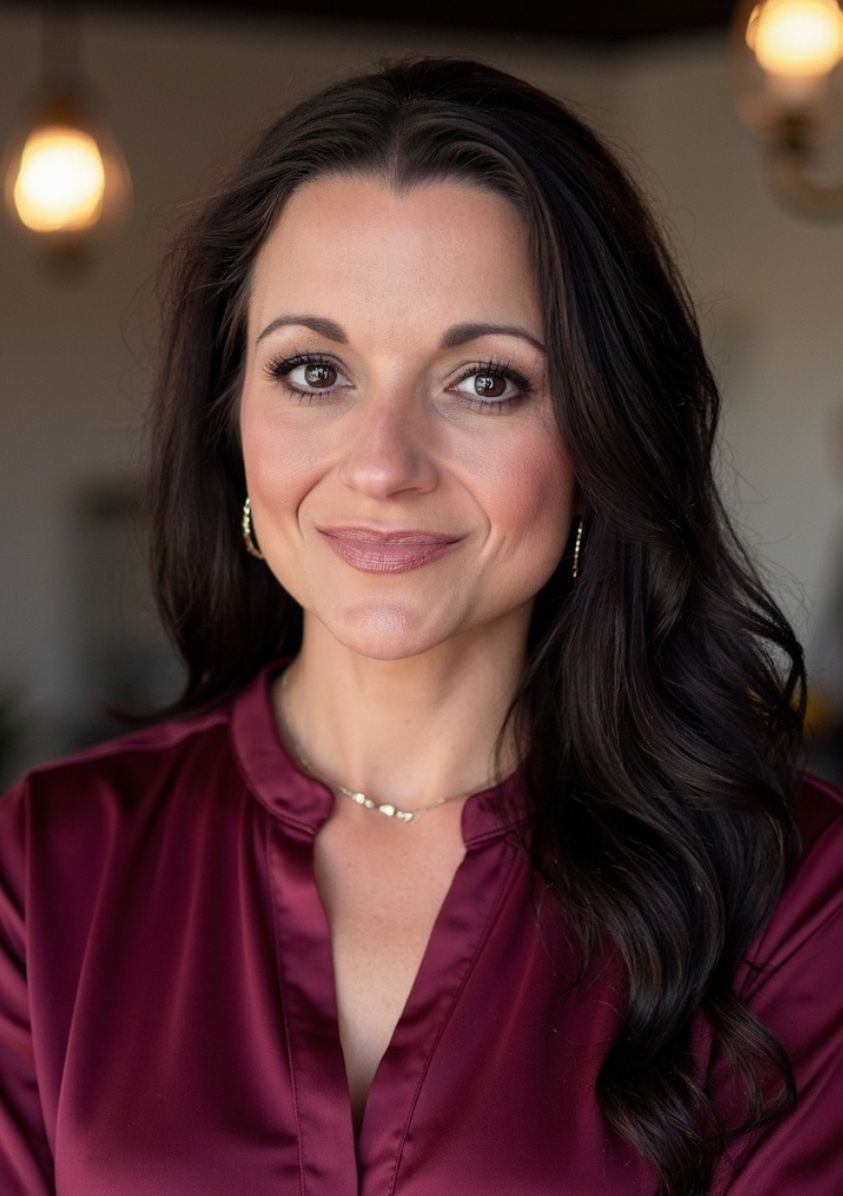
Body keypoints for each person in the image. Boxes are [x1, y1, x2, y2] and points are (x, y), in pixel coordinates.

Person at [1, 55, 841, 1196]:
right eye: (313, 370)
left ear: (602, 439)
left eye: (486, 381)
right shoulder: (50, 861)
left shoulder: (794, 889)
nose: (385, 464)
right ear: (229, 420)